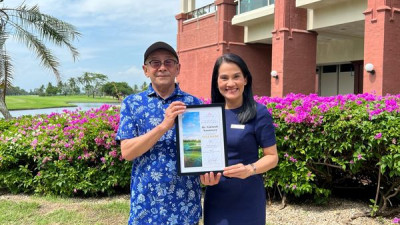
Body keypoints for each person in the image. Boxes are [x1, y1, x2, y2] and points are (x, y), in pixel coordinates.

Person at [116, 41, 202, 225]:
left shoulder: (194, 104)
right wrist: (164, 126)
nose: (162, 67)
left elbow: (200, 153)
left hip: (186, 205)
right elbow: (128, 152)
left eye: (168, 62)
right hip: (145, 206)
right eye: (155, 63)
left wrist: (208, 172)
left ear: (178, 68)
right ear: (145, 70)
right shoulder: (132, 103)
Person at [201, 53, 279, 225]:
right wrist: (202, 175)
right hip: (216, 197)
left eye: (236, 76)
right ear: (217, 82)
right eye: (224, 78)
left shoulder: (260, 113)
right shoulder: (208, 114)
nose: (230, 83)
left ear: (245, 79)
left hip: (248, 198)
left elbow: (272, 157)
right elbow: (199, 156)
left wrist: (250, 169)